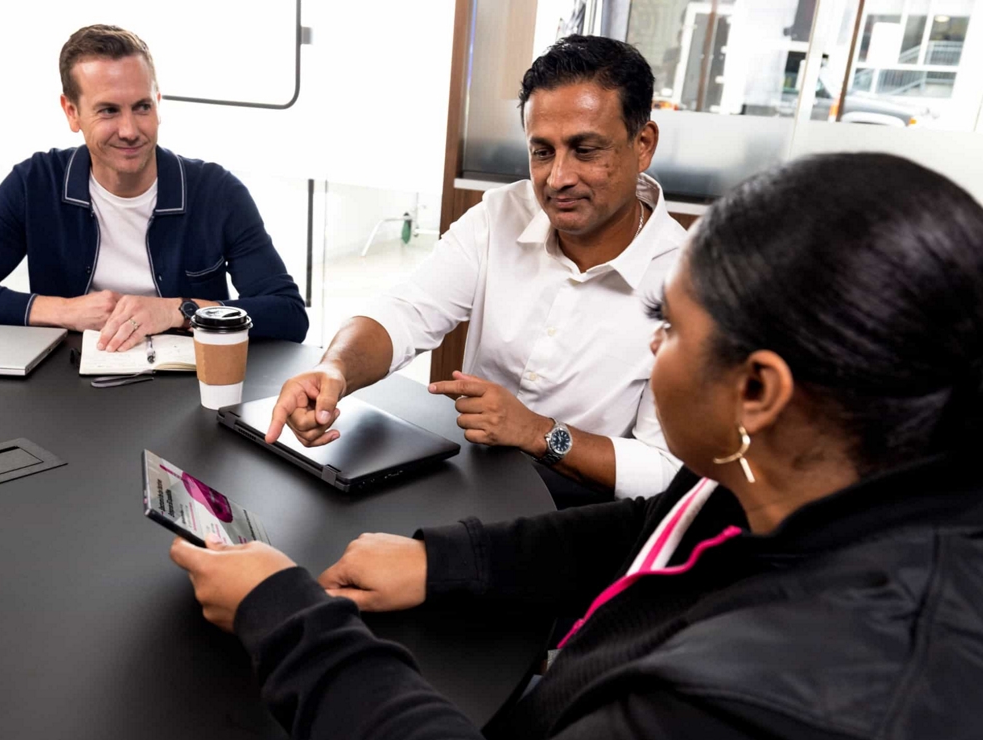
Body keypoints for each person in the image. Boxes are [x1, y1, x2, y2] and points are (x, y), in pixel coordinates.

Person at [169, 153, 983, 739]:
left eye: (671, 328)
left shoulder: (775, 701)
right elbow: (656, 529)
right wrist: (440, 561)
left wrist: (290, 620)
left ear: (759, 389)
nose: (652, 347)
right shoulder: (849, 467)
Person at [267, 36, 689, 506]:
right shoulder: (500, 214)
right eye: (542, 151)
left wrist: (536, 432)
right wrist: (335, 369)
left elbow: (667, 472)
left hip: (583, 519)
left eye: (585, 150)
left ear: (644, 143)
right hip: (471, 484)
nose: (557, 178)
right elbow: (406, 311)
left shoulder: (691, 283)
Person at [0, 25, 307, 350]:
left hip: (190, 394)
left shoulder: (216, 191)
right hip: (68, 393)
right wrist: (63, 311)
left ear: (158, 102)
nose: (130, 130)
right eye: (108, 110)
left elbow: (288, 314)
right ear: (72, 112)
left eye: (142, 107)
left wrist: (178, 310)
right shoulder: (35, 183)